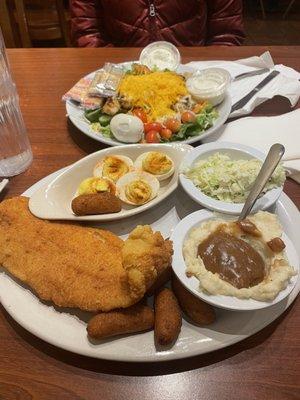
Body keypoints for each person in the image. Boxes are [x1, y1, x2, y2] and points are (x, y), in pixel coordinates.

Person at [70, 0, 245, 47]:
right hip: (120, 79)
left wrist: (203, 77)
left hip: (193, 79)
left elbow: (226, 34)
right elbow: (86, 33)